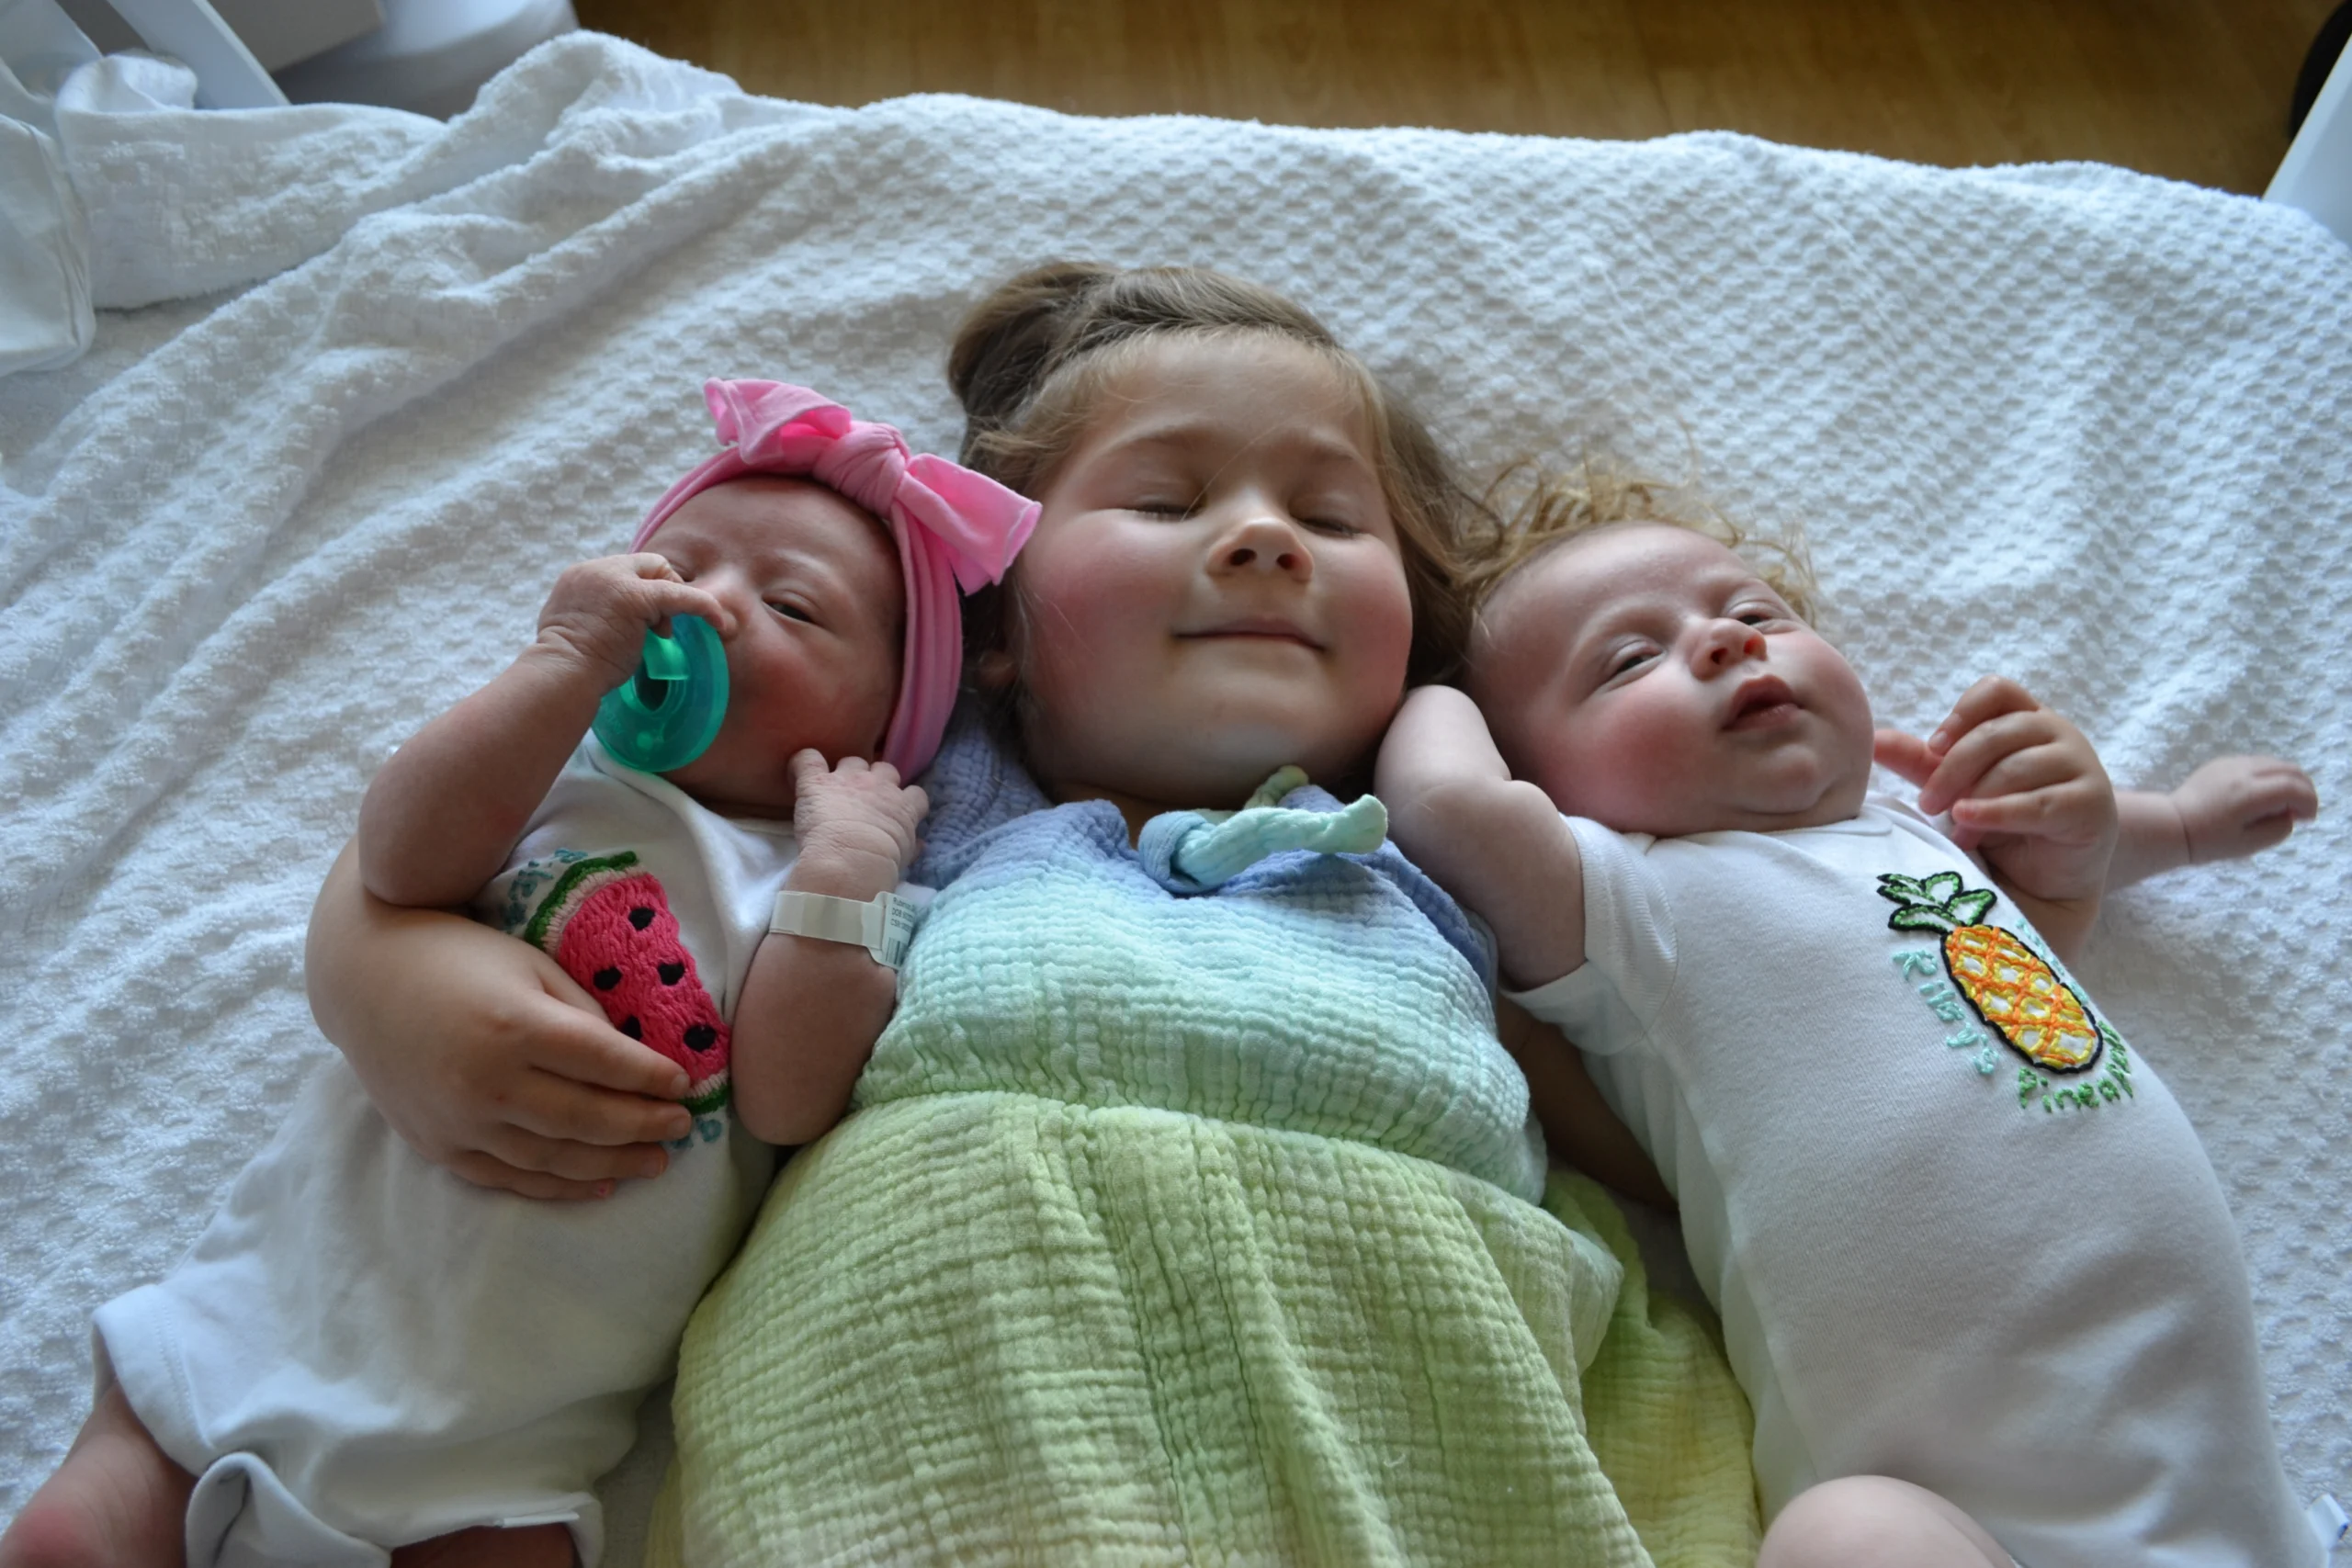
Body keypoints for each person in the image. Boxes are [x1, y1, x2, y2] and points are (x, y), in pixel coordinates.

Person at [0, 380, 1036, 1568]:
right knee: (75, 1536)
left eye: (793, 605)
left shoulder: (841, 895)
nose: (710, 605)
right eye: (675, 565)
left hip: (508, 1435)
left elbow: (790, 1095)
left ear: (889, 722)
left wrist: (848, 861)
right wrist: (560, 664)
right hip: (269, 1308)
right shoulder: (551, 773)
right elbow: (397, 853)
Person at [1373, 474, 2326, 1568]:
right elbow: (1443, 808)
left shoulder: (1911, 836)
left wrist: (2156, 826)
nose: (1728, 646)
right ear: (1543, 784)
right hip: (1984, 1535)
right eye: (1627, 661)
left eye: (1754, 616)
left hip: (2248, 1512)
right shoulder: (1630, 907)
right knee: (1844, 1534)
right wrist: (1427, 680)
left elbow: (2013, 964)